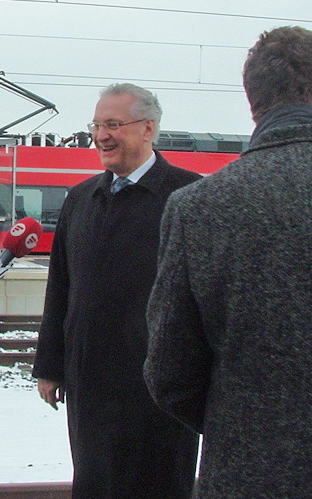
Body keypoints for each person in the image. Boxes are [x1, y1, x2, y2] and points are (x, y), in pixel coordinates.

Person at [145, 26, 312, 497]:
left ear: (256, 104)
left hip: (249, 475)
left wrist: (244, 427)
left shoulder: (196, 207)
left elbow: (168, 371)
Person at [32, 84, 201, 499]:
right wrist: (50, 366)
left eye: (113, 124)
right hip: (89, 386)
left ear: (148, 129)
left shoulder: (190, 197)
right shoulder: (81, 198)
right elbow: (61, 287)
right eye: (96, 125)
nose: (101, 135)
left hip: (160, 393)